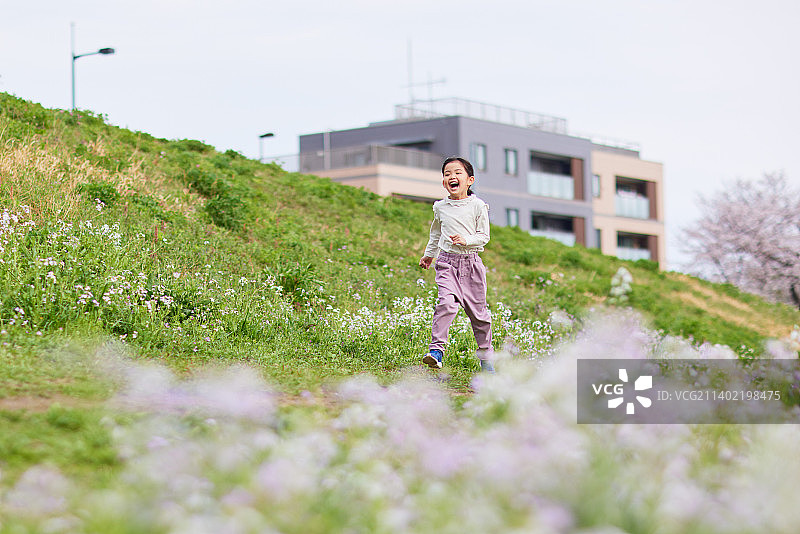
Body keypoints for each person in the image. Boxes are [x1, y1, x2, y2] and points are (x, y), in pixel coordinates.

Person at [419, 156, 494, 373]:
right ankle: (436, 352)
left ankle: (486, 359)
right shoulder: (440, 207)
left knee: (479, 316)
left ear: (469, 180)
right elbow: (435, 233)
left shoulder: (478, 206)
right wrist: (429, 255)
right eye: (447, 174)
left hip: (471, 265)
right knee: (446, 304)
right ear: (444, 182)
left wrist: (466, 240)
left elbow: (484, 236)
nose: (452, 177)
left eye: (457, 173)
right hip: (447, 263)